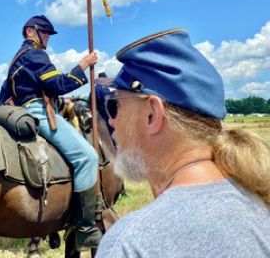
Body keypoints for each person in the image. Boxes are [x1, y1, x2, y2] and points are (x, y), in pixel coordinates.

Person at [95, 28, 270, 258]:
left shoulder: (130, 244)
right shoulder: (258, 204)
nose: (111, 120)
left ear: (152, 114)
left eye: (114, 105)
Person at [0, 14, 102, 251]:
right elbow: (58, 85)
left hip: (22, 109)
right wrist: (84, 65)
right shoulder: (35, 54)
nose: (47, 38)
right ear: (30, 31)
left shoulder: (17, 59)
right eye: (45, 32)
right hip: (38, 113)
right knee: (88, 157)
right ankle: (85, 228)